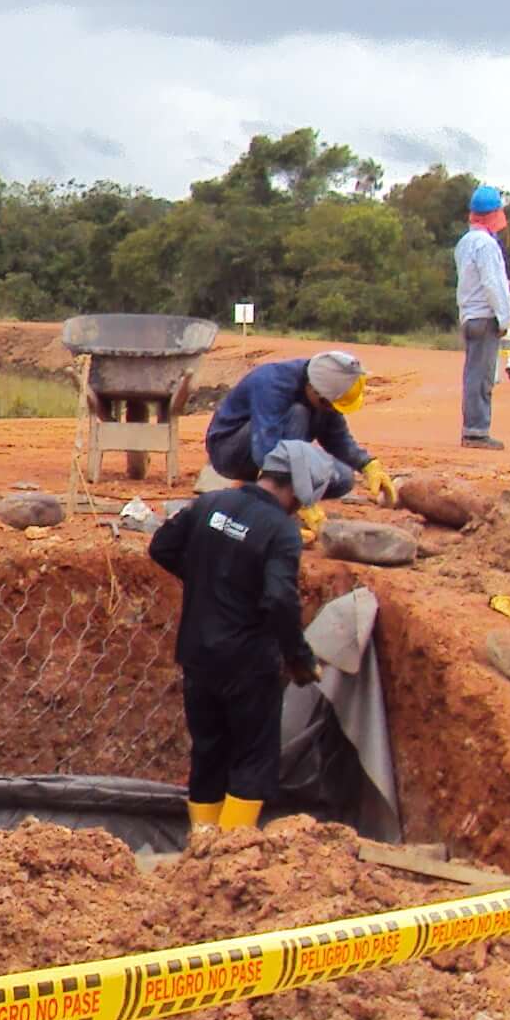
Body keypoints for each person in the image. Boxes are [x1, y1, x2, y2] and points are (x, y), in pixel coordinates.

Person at [150, 440, 344, 837]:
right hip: (247, 665)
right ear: (298, 488)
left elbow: (162, 546)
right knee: (253, 758)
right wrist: (298, 657)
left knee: (208, 751)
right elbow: (278, 599)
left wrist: (207, 579)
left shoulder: (211, 504)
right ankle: (229, 855)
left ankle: (202, 844)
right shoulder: (281, 531)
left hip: (198, 656)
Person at [202, 348, 397, 502]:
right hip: (230, 451)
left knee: (343, 478)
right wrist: (300, 492)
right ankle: (275, 501)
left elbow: (337, 438)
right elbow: (266, 449)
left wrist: (367, 465)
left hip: (277, 456)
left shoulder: (325, 394)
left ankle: (267, 491)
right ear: (313, 388)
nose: (330, 410)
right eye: (328, 404)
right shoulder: (271, 383)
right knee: (298, 414)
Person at [454, 187, 510, 449]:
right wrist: (504, 319)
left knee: (472, 374)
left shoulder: (465, 242)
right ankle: (476, 431)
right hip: (484, 316)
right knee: (482, 377)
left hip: (469, 315)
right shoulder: (487, 245)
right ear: (494, 214)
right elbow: (493, 284)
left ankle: (473, 428)